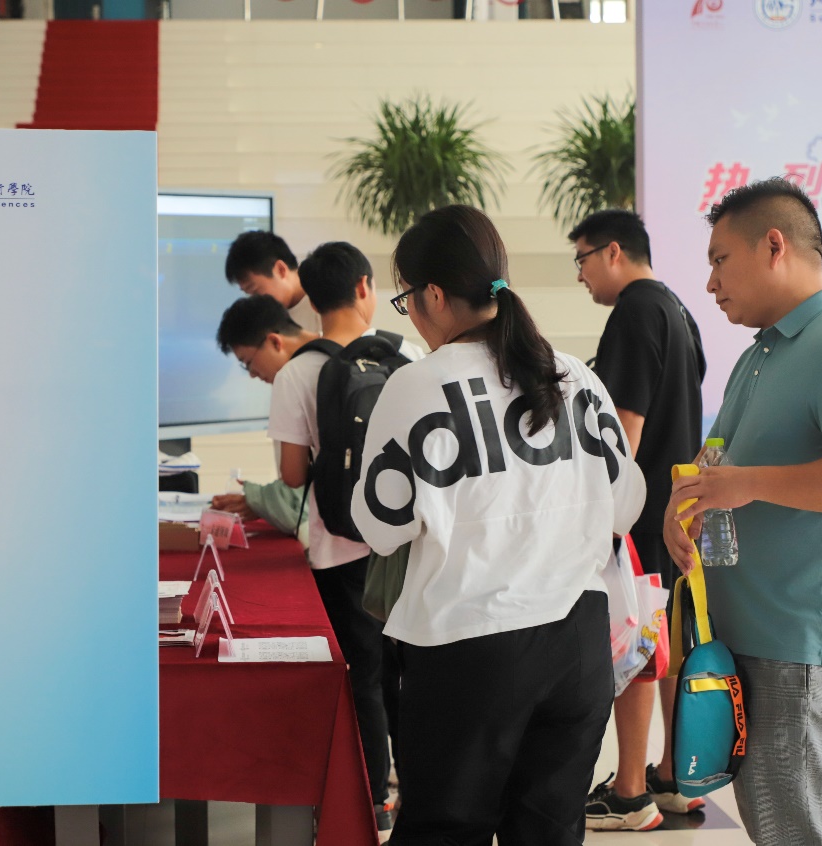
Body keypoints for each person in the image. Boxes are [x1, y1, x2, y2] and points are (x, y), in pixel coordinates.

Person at [352, 205, 646, 845]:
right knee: (549, 833)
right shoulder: (575, 377)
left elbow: (379, 526)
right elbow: (625, 504)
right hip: (577, 644)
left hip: (468, 646)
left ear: (433, 295)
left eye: (406, 299)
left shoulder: (418, 385)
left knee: (445, 831)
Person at [663, 177, 822, 846]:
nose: (710, 282)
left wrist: (747, 485)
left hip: (801, 647)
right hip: (755, 638)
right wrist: (685, 502)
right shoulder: (762, 352)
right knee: (780, 826)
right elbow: (719, 459)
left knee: (802, 832)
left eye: (720, 259)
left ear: (774, 245)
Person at [269, 241, 424, 839]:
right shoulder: (406, 354)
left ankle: (372, 801)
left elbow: (291, 475)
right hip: (405, 544)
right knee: (409, 671)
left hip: (338, 549)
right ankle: (418, 792)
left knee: (362, 676)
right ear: (365, 287)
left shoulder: (296, 372)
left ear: (309, 298)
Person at [569, 210, 706, 831]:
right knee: (667, 642)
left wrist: (600, 515)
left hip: (641, 511)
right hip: (675, 507)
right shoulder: (677, 308)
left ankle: (629, 792)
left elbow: (623, 433)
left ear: (613, 251)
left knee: (638, 643)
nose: (580, 275)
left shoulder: (633, 311)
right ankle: (674, 776)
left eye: (582, 259)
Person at [212, 294, 318, 535]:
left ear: (274, 342)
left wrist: (259, 499)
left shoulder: (293, 377)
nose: (252, 374)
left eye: (248, 362)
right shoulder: (335, 357)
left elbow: (295, 481)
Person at [225, 230, 322, 334]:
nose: (255, 302)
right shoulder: (268, 321)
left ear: (280, 270)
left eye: (255, 291)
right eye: (248, 294)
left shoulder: (325, 301)